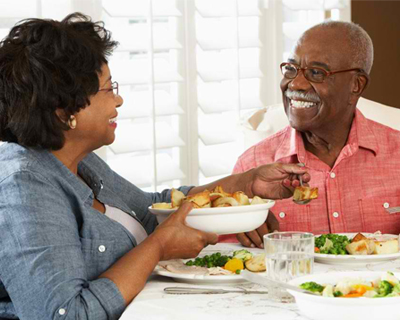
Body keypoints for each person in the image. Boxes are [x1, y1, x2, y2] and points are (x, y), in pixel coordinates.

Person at [0, 13, 310, 320]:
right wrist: (159, 247)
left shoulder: (76, 161)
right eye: (108, 89)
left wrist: (246, 183)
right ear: (65, 110)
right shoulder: (23, 188)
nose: (118, 101)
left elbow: (150, 210)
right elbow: (64, 315)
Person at [219, 20, 400, 248]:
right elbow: (225, 265)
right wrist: (241, 234)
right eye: (292, 69)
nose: (296, 83)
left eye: (316, 72)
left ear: (356, 84)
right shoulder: (252, 165)